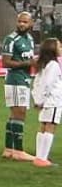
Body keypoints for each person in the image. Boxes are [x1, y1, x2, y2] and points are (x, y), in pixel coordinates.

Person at [1, 12, 36, 161]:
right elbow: (5, 62)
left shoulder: (30, 39)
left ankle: (9, 149)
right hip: (15, 79)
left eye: (25, 22)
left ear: (31, 23)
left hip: (25, 79)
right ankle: (19, 150)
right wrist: (26, 64)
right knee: (20, 112)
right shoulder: (10, 39)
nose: (22, 24)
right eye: (20, 21)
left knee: (15, 114)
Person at [31, 38, 60, 167]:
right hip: (53, 101)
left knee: (43, 126)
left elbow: (37, 83)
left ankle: (39, 157)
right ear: (53, 49)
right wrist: (42, 99)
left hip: (44, 101)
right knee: (50, 126)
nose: (61, 47)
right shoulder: (53, 65)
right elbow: (48, 84)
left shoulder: (43, 65)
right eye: (59, 45)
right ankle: (43, 158)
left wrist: (37, 99)